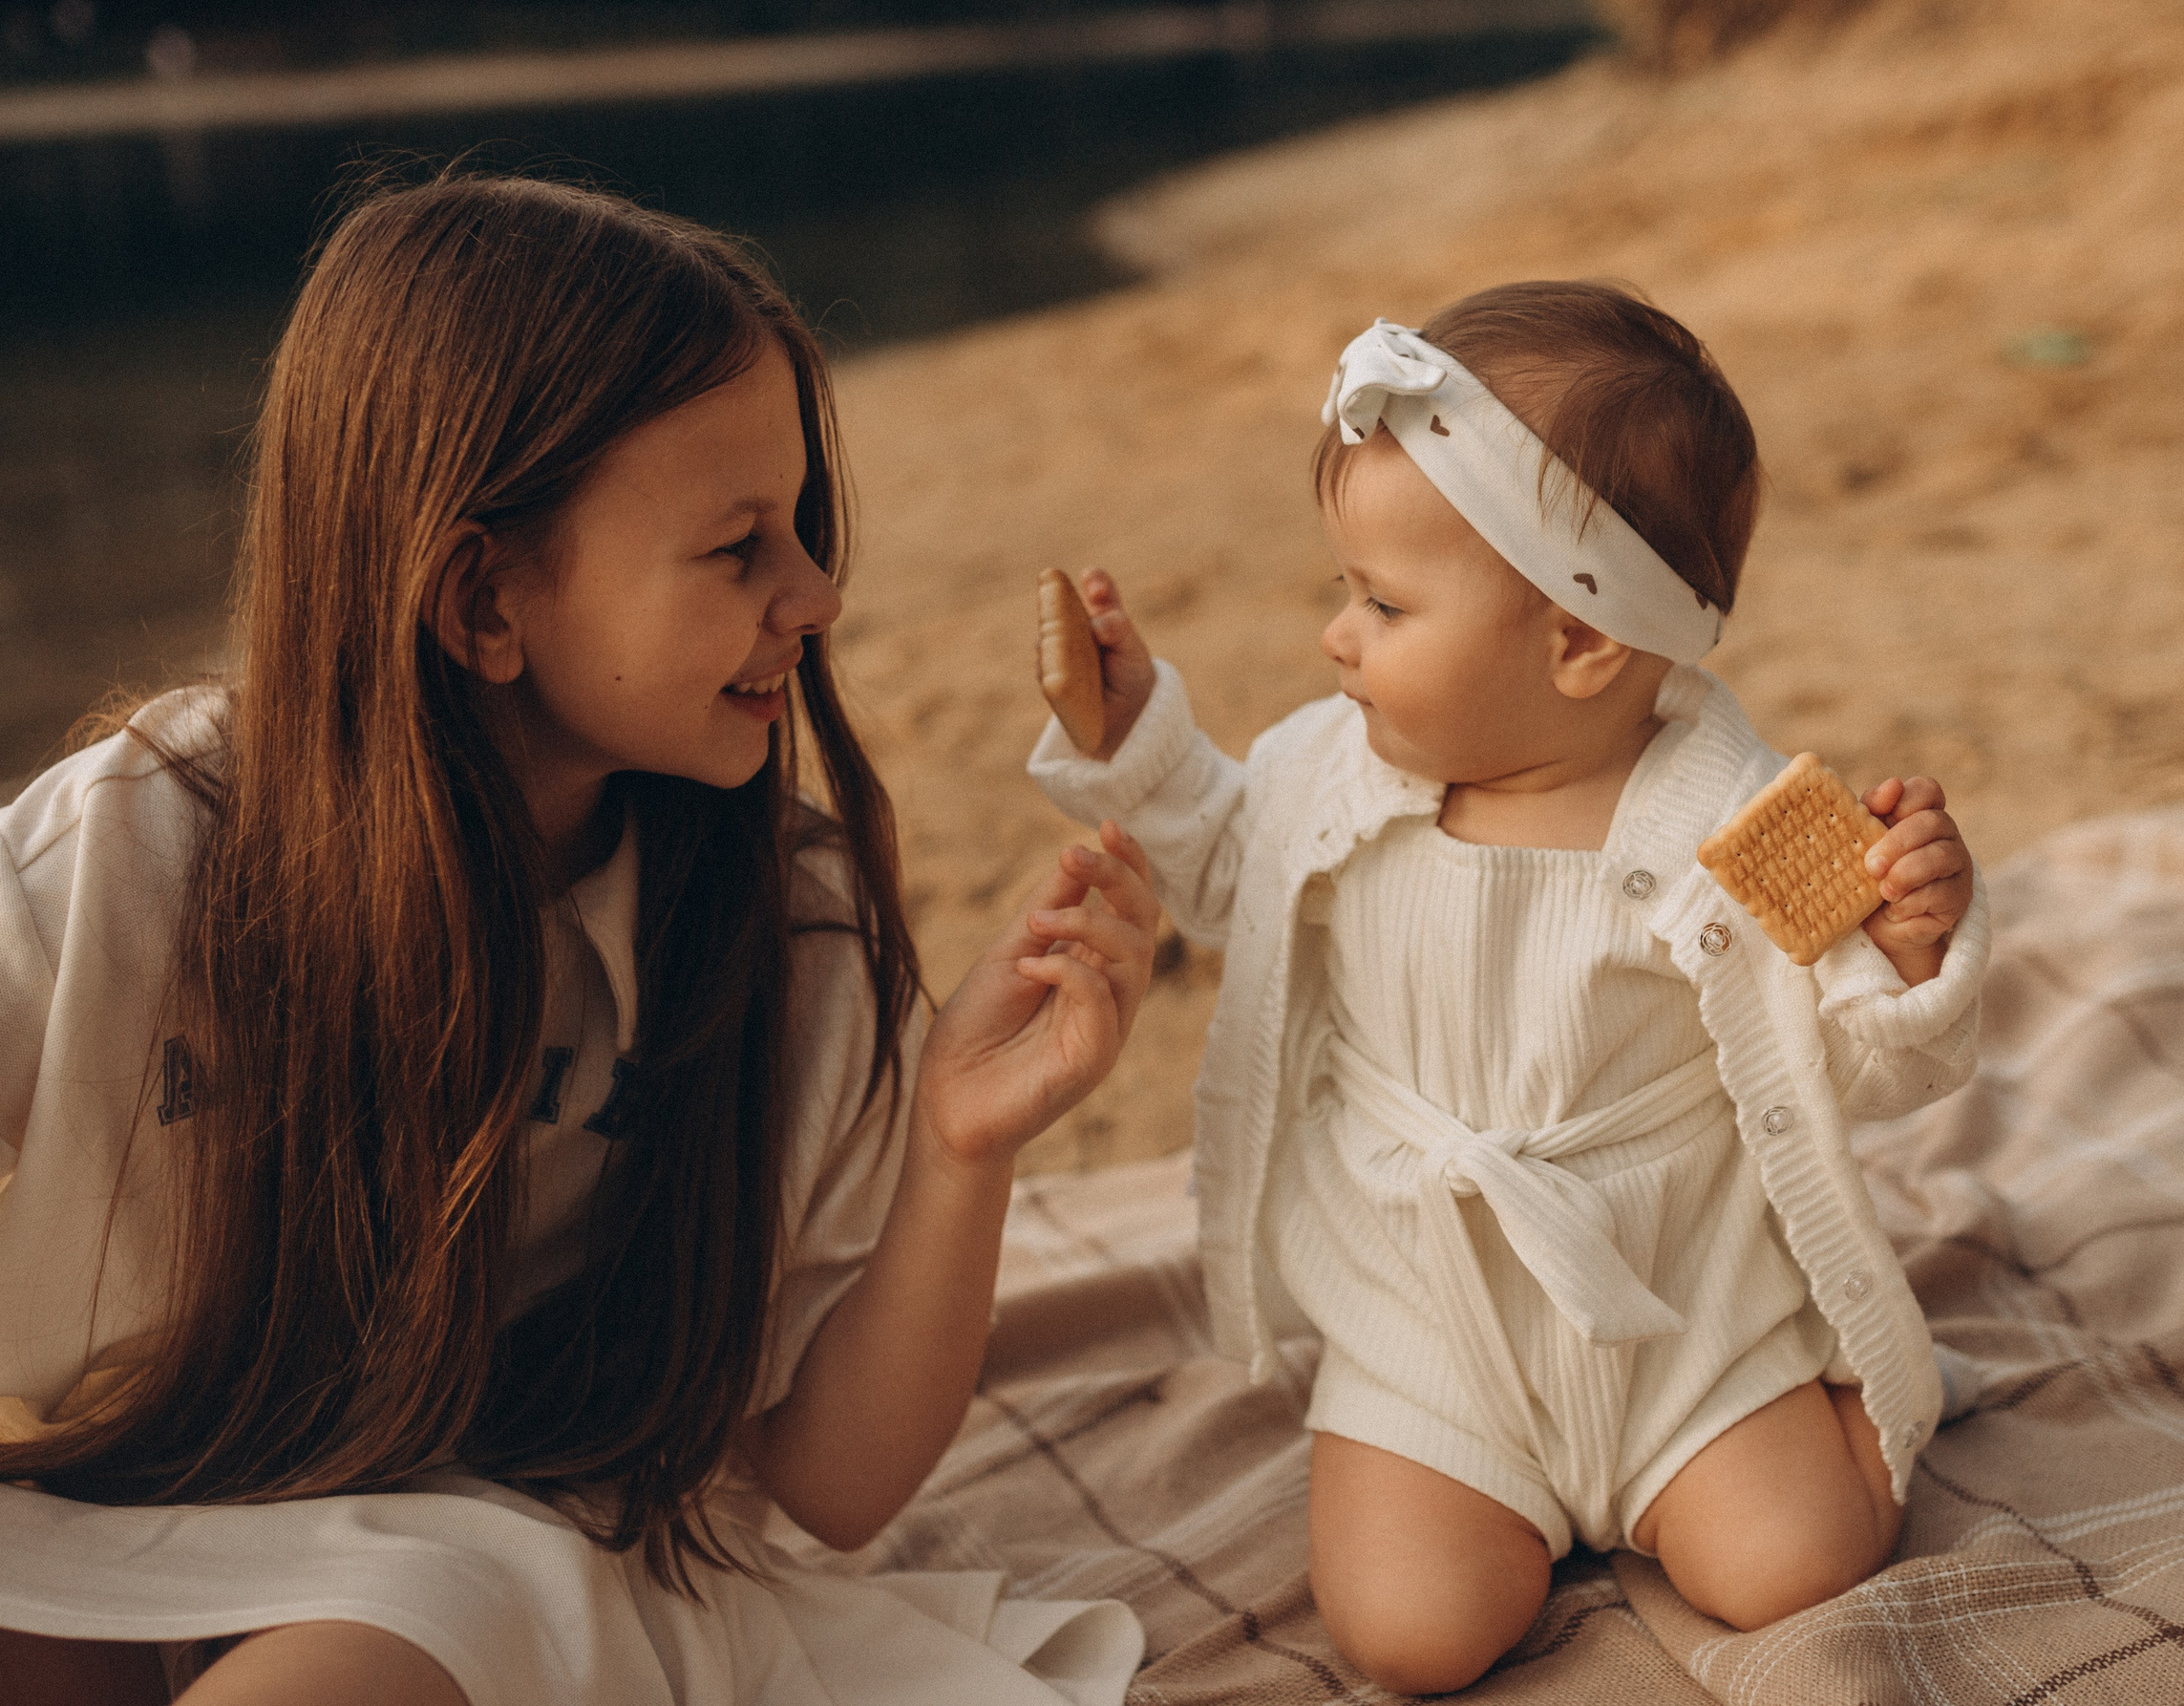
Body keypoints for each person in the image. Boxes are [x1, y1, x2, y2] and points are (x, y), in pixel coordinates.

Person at [0, 174, 1158, 1706]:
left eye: (801, 526)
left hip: (488, 1572)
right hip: (134, 1511)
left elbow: (827, 1483)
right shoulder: (147, 842)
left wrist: (962, 1147)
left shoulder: (785, 934)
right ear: (484, 601)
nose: (815, 595)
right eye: (740, 546)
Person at [1029, 282, 1987, 1695]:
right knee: (1410, 1632)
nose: (1334, 637)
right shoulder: (1334, 775)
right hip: (1431, 1320)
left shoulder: (1722, 818)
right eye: (1345, 590)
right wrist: (1135, 739)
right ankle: (1479, 1473)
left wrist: (1906, 947)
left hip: (1681, 1307)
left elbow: (1857, 1062)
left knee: (1791, 1564)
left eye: (1381, 601)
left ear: (1582, 643)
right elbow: (1233, 862)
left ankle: (1833, 1395)